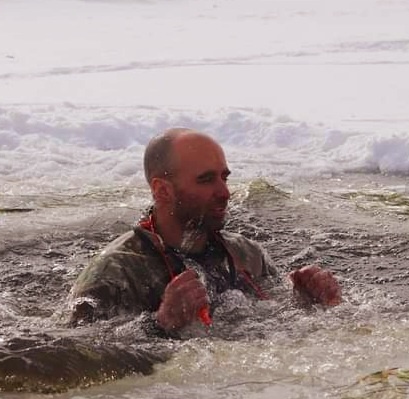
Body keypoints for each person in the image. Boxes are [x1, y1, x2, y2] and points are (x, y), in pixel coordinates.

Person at [69, 128, 341, 335]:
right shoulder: (115, 271)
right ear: (162, 190)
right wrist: (160, 324)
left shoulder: (246, 255)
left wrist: (311, 303)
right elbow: (79, 351)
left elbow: (275, 328)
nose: (224, 192)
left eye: (224, 177)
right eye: (206, 180)